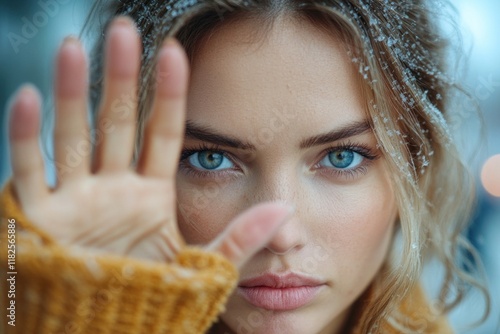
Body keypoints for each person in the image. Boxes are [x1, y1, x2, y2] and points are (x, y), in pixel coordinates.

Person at [0, 0, 489, 333]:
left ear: (415, 164)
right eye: (209, 159)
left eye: (343, 157)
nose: (278, 233)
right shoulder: (29, 307)